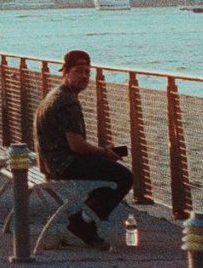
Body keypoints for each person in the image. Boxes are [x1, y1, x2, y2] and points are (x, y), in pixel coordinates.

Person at [32, 49, 133, 250]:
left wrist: (103, 155)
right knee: (124, 177)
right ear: (66, 72)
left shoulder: (56, 94)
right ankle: (83, 223)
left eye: (87, 72)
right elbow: (76, 145)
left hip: (51, 162)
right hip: (63, 164)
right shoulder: (67, 101)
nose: (84, 76)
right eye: (78, 71)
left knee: (106, 171)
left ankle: (84, 219)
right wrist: (105, 152)